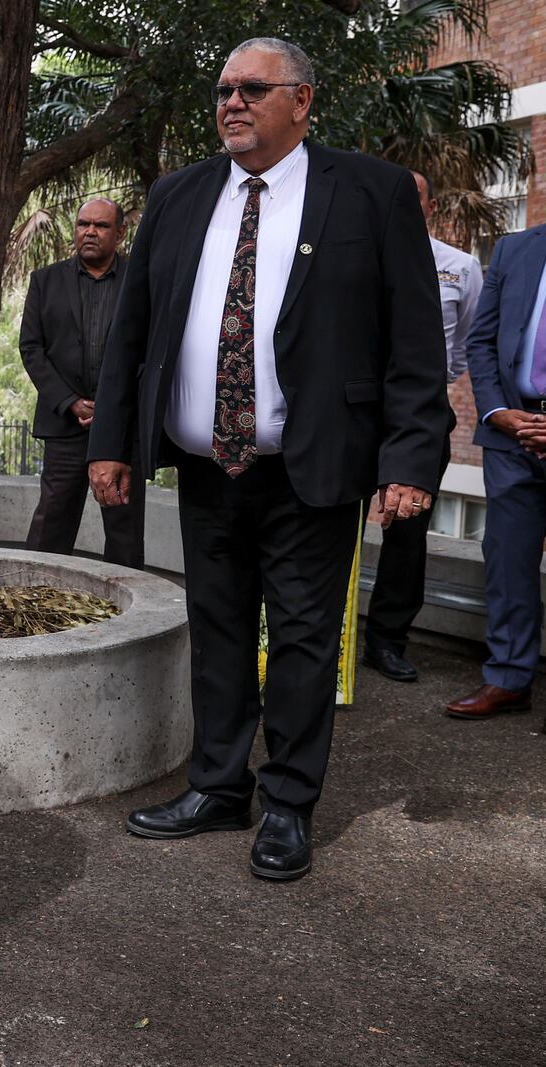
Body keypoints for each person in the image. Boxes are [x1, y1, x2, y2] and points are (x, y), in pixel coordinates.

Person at [87, 38, 447, 881]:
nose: (232, 102)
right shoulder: (177, 197)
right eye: (223, 90)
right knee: (214, 631)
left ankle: (287, 802)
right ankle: (217, 785)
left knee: (302, 639)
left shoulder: (372, 194)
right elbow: (131, 334)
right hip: (208, 465)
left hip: (312, 464)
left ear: (303, 100)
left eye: (253, 88)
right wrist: (112, 444)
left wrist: (410, 459)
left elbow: (416, 345)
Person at [362, 171, 478, 682]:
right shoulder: (353, 257)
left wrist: (425, 382)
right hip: (353, 410)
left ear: (429, 208)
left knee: (407, 534)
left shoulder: (460, 267)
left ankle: (386, 641)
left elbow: (465, 348)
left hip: (419, 413)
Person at [444, 219, 546, 721]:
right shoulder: (513, 250)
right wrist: (495, 411)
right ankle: (508, 677)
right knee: (507, 561)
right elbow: (481, 342)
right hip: (513, 432)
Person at [21, 197, 145, 568]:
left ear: (120, 233)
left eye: (102, 225)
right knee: (52, 523)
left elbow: (151, 349)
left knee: (124, 530)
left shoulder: (141, 282)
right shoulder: (45, 281)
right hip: (65, 424)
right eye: (83, 224)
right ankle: (36, 599)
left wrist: (114, 406)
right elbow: (31, 347)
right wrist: (69, 401)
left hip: (122, 428)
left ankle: (127, 620)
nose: (90, 231)